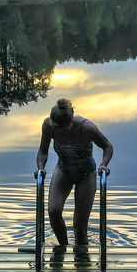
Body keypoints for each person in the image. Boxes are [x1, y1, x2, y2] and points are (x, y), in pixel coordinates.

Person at [35, 98, 113, 246]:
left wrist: (104, 164)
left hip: (86, 173)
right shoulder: (48, 125)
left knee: (79, 225)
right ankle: (62, 248)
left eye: (61, 129)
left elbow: (107, 146)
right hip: (63, 169)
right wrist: (41, 168)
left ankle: (82, 261)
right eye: (55, 127)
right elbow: (42, 151)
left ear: (70, 123)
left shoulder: (87, 128)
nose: (58, 131)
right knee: (53, 211)